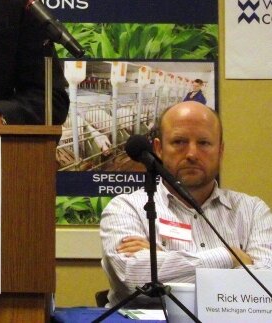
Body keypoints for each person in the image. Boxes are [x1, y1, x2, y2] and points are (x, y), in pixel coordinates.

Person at [100, 101, 272, 308]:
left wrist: (165, 260)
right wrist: (230, 257)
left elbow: (264, 286)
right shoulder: (126, 207)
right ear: (158, 149)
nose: (191, 154)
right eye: (179, 142)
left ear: (221, 150)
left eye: (204, 143)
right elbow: (133, 279)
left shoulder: (252, 211)